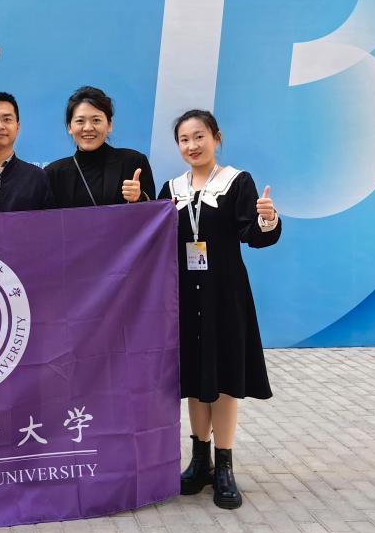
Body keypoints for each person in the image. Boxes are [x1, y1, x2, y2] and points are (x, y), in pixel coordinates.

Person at [157, 109, 280, 510]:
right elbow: (154, 240)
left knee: (224, 377)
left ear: (216, 137)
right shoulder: (171, 189)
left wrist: (267, 220)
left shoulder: (236, 182)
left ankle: (224, 465)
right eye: (184, 139)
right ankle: (200, 461)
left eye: (199, 137)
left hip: (224, 295)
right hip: (185, 297)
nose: (192, 146)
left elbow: (252, 235)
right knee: (195, 377)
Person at [44, 86, 156, 208]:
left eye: (96, 120)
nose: (88, 128)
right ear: (70, 127)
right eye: (80, 121)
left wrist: (139, 197)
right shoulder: (53, 174)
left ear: (109, 125)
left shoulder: (133, 163)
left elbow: (155, 214)